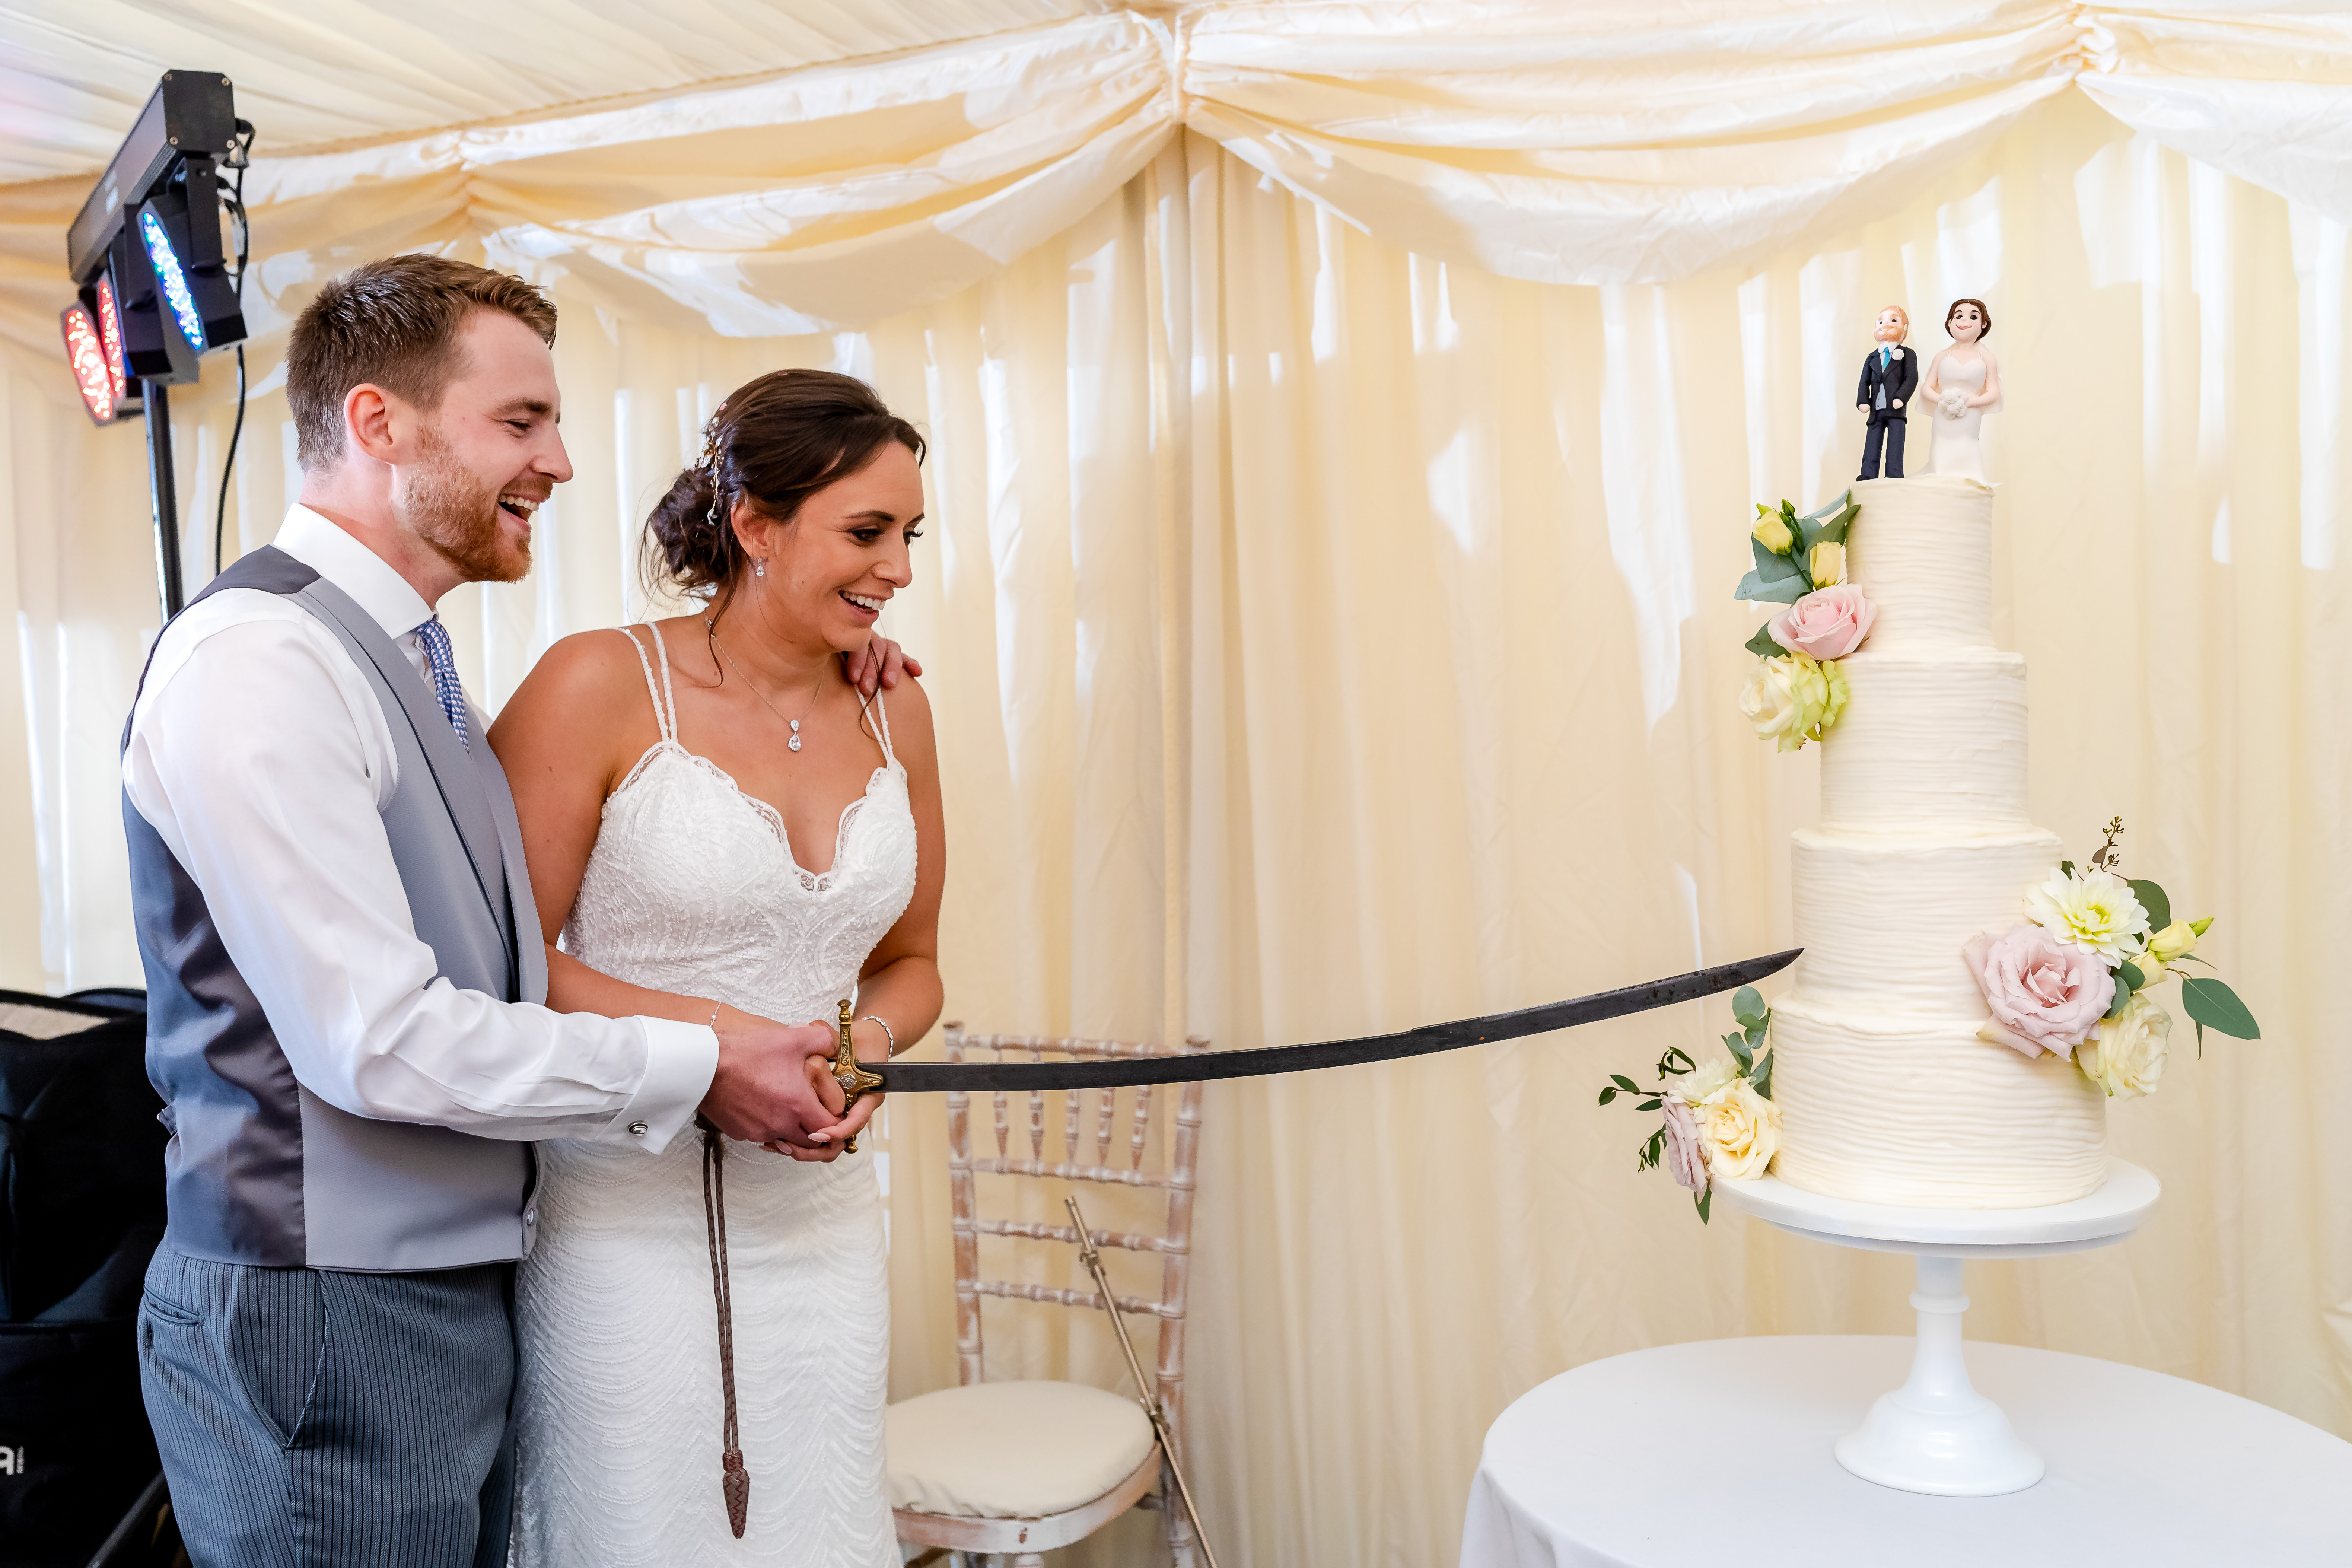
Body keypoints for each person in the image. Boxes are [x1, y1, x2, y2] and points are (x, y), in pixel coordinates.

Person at [121, 255, 909, 1568]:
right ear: (379, 424)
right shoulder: (260, 660)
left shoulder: (406, 663)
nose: (560, 462)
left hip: (442, 1296)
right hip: (322, 1314)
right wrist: (704, 1060)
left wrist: (820, 657)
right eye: (521, 422)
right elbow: (380, 1039)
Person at [490, 369, 945, 1565]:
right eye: (865, 532)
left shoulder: (897, 710)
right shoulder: (593, 683)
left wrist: (861, 1051)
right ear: (752, 523)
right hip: (623, 1217)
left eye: (907, 535)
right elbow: (497, 960)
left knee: (818, 1518)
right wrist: (715, 1048)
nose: (897, 566)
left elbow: (912, 963)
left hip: (822, 1219)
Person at [1922, 297, 2002, 481]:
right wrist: (1942, 399)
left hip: (1970, 413)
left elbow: (1994, 392)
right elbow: (1927, 388)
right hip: (1944, 413)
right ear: (1950, 323)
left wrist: (1972, 401)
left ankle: (1971, 480)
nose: (1965, 321)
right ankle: (1940, 478)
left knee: (1967, 444)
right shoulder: (1942, 356)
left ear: (1983, 325)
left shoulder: (1987, 358)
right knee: (1941, 445)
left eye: (1973, 317)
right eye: (1959, 316)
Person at [1855, 304, 1917, 480]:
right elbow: (1864, 382)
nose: (1886, 324)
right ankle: (1868, 474)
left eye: (1893, 320)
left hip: (1896, 410)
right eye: (1881, 321)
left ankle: (1895, 475)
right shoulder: (1872, 358)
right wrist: (1863, 401)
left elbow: (1912, 379)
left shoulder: (1907, 354)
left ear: (1904, 328)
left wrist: (1901, 397)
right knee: (1872, 443)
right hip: (1876, 410)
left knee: (1896, 445)